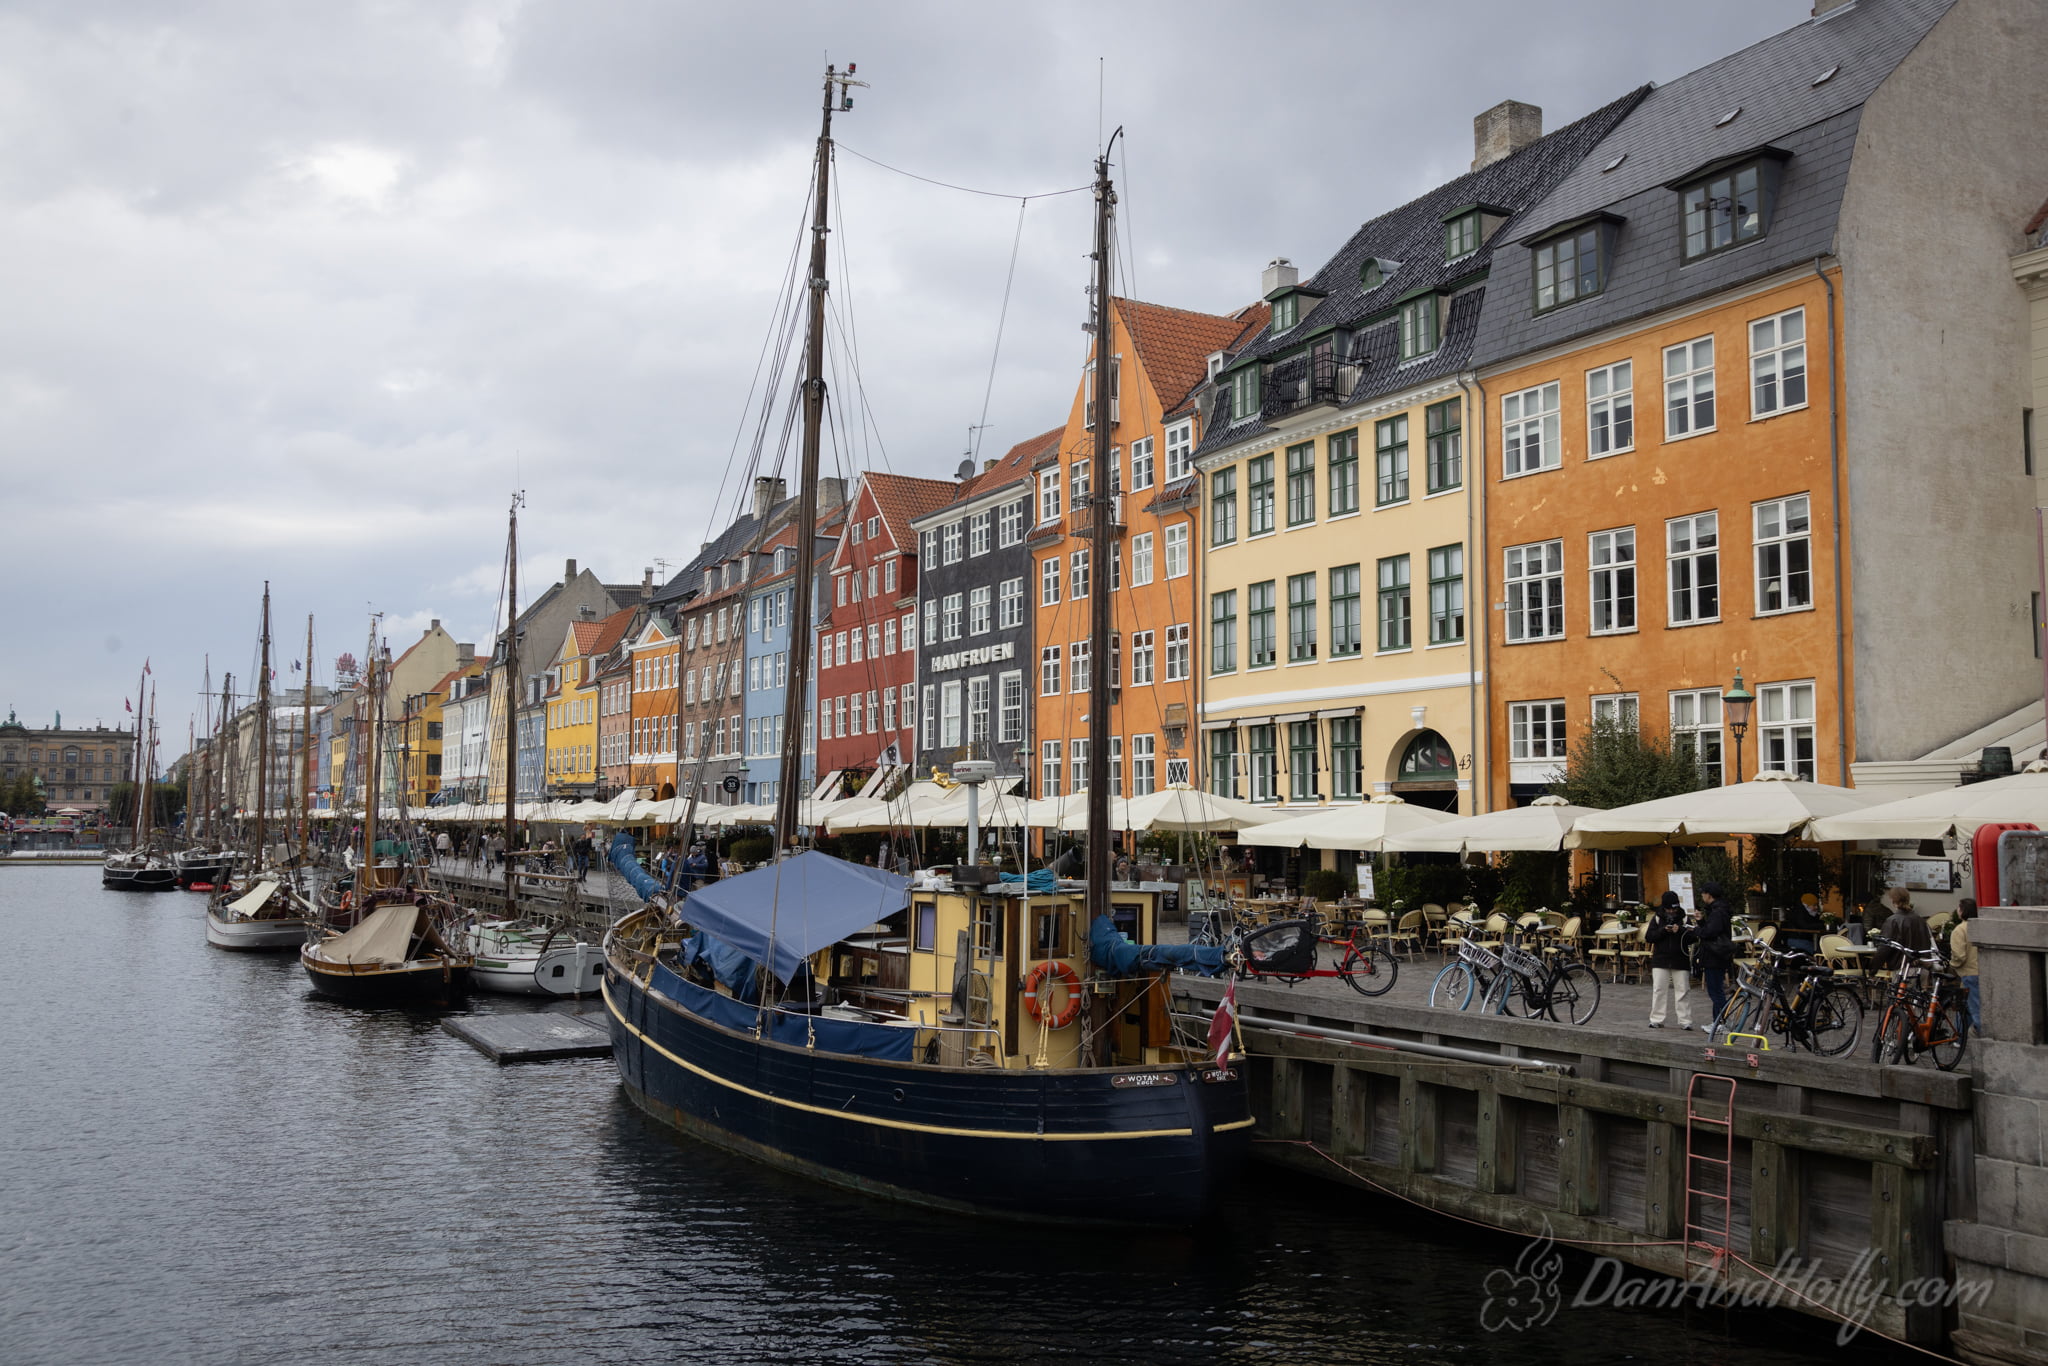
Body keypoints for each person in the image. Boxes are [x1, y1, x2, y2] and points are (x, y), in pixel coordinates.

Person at [1646, 891, 1696, 1030]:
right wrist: (1663, 930)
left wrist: (1679, 930)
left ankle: (1685, 1020)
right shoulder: (1657, 918)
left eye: (1674, 908)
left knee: (1683, 990)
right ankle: (1656, 1019)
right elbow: (1649, 937)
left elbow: (1693, 937)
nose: (1672, 911)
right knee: (1659, 989)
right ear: (1664, 907)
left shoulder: (1685, 919)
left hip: (1680, 959)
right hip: (1660, 959)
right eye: (1669, 909)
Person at [1693, 882, 1736, 1024]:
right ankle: (1716, 1021)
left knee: (1715, 991)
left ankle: (1721, 1022)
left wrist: (1696, 930)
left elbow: (1710, 932)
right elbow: (1711, 929)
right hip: (1717, 955)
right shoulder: (1719, 909)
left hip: (1715, 955)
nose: (1702, 895)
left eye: (1703, 893)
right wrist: (1701, 922)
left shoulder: (1718, 911)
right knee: (1716, 990)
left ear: (1709, 895)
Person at [1873, 887, 1933, 972]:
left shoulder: (1893, 921)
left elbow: (1884, 948)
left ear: (1893, 901)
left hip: (1902, 968)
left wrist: (1873, 969)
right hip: (1923, 967)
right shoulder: (1920, 920)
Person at [1950, 898, 1981, 1035]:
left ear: (1962, 911)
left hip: (1968, 972)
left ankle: (1977, 1034)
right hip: (1981, 970)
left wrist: (1952, 965)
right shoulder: (1979, 926)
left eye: (1959, 908)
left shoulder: (1960, 930)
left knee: (1974, 1008)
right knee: (1966, 1007)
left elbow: (1959, 956)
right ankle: (1959, 1036)